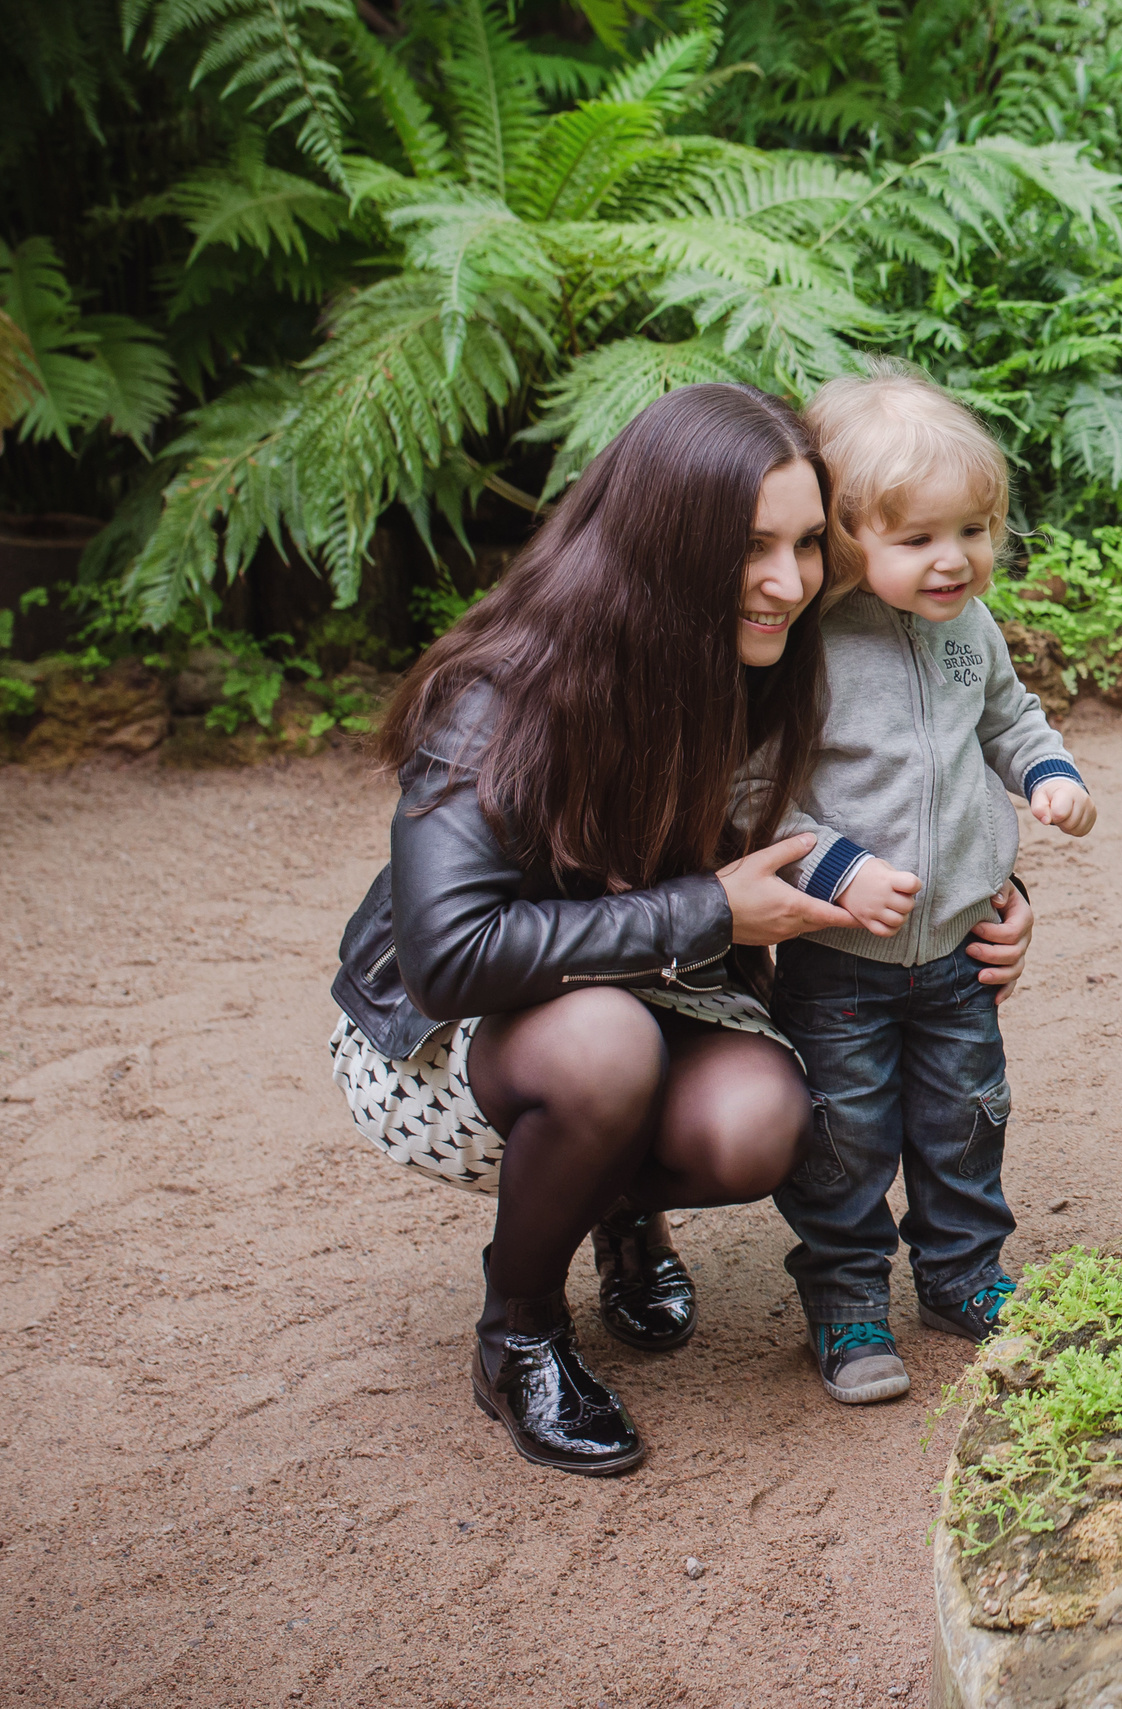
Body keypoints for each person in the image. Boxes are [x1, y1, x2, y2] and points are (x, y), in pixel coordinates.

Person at [324, 383, 1035, 1476]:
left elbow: (890, 788)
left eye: (808, 543)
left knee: (761, 1119)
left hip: (671, 984)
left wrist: (982, 898)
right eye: (750, 547)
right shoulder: (504, 692)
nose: (788, 579)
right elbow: (450, 956)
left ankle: (615, 1207)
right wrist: (712, 910)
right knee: (603, 1046)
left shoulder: (774, 651)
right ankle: (519, 1332)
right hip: (453, 1031)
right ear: (663, 538)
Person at [742, 368, 1095, 1406]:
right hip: (838, 961)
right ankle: (848, 1296)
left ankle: (963, 1273)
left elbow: (1010, 719)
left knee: (967, 1117)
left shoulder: (968, 629)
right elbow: (757, 793)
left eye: (974, 530)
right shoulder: (804, 649)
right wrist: (839, 870)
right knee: (841, 1134)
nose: (956, 559)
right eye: (919, 538)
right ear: (849, 537)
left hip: (956, 954)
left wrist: (1050, 774)